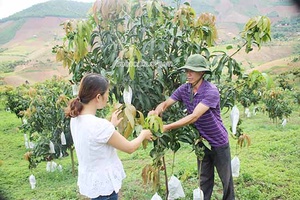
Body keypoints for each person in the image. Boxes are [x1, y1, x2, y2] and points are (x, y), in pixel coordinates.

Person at [149, 54, 235, 200]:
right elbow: (166, 103)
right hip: (201, 143)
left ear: (202, 73)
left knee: (226, 180)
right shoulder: (185, 89)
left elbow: (194, 116)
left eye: (192, 71)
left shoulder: (211, 91)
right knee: (204, 179)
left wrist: (166, 127)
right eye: (187, 71)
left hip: (219, 142)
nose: (188, 74)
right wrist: (156, 111)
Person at [65, 73, 152, 200]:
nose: (108, 97)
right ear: (98, 97)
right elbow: (129, 148)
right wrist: (143, 134)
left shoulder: (75, 119)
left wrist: (111, 125)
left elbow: (94, 139)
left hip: (93, 184)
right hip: (105, 189)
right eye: (107, 94)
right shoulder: (99, 125)